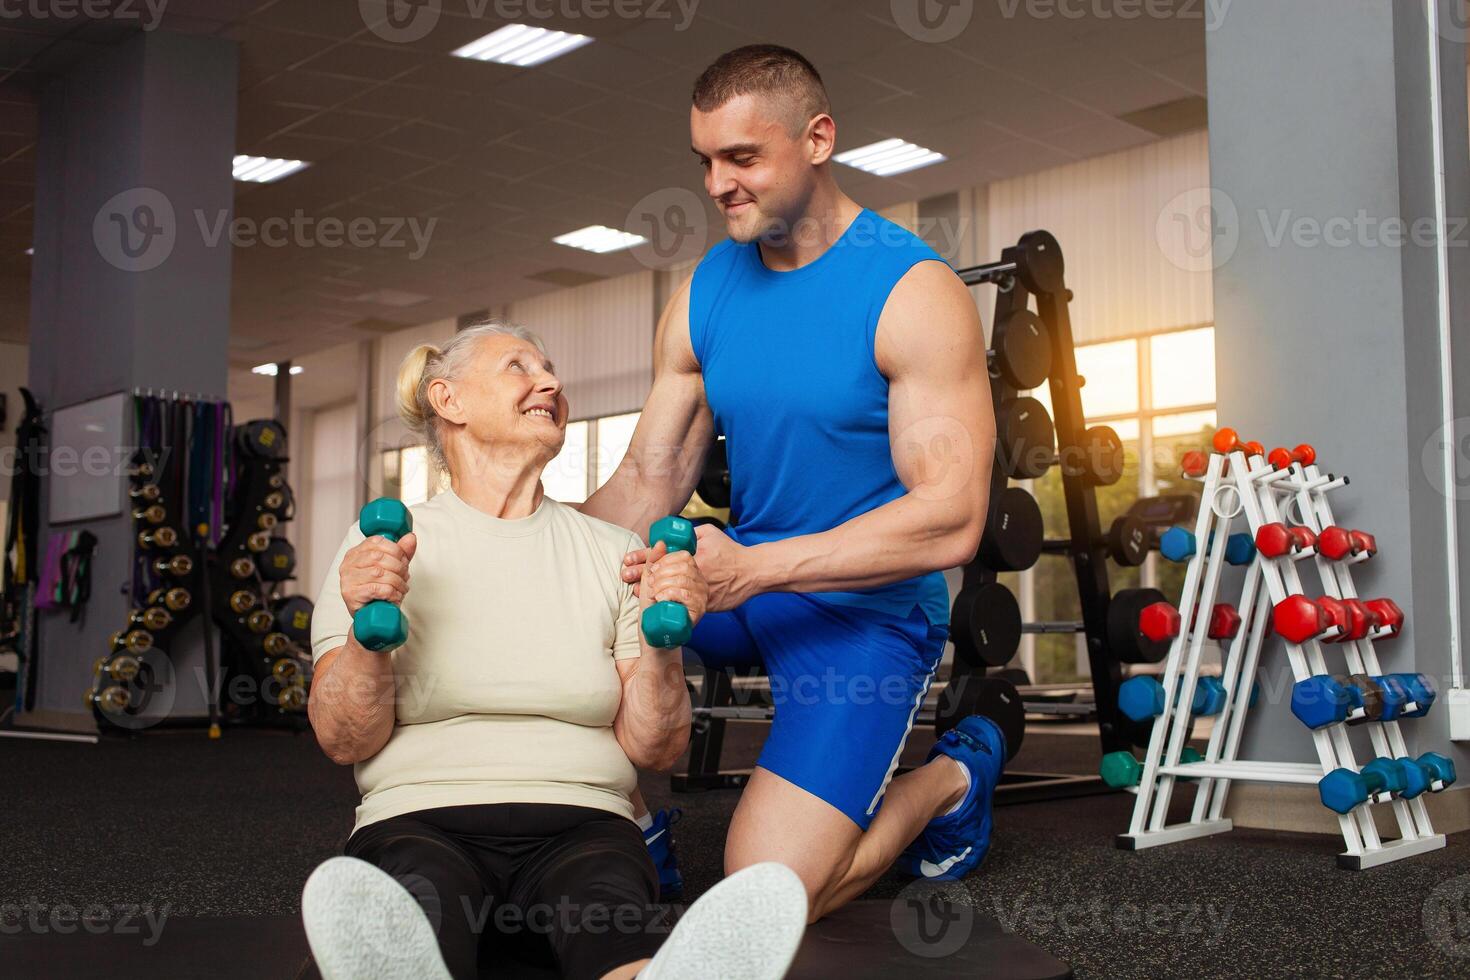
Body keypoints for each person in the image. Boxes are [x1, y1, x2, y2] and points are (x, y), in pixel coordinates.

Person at [579, 45, 1001, 921]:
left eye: (742, 157)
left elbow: (953, 520)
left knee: (764, 899)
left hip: (865, 609)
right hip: (742, 584)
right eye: (705, 161)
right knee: (576, 605)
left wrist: (756, 570)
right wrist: (513, 544)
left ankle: (954, 777)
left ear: (818, 138)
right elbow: (648, 479)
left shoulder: (911, 290)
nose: (719, 183)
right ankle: (633, 822)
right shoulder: (705, 291)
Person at [302, 322, 808, 980]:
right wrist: (371, 640)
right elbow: (343, 738)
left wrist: (663, 643)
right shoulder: (383, 550)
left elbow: (655, 749)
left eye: (551, 369)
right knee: (422, 912)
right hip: (418, 819)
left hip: (586, 822)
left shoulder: (612, 553)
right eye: (519, 366)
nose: (552, 383)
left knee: (604, 920)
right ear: (448, 399)